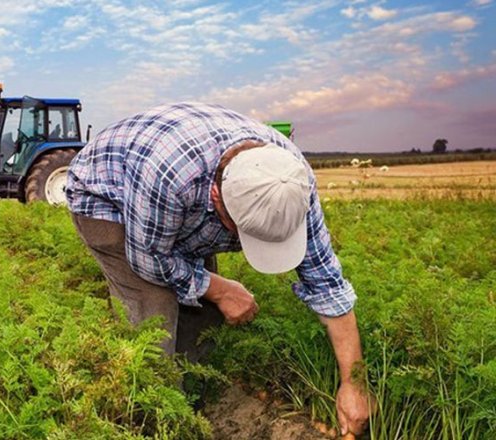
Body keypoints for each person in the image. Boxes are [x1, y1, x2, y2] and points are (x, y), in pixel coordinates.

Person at [65, 102, 370, 436]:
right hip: (109, 199)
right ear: (217, 197)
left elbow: (327, 284)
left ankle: (197, 402)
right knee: (154, 317)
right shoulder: (170, 176)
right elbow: (149, 260)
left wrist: (354, 383)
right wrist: (222, 289)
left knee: (202, 313)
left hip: (178, 202)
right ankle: (153, 417)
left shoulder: (290, 182)